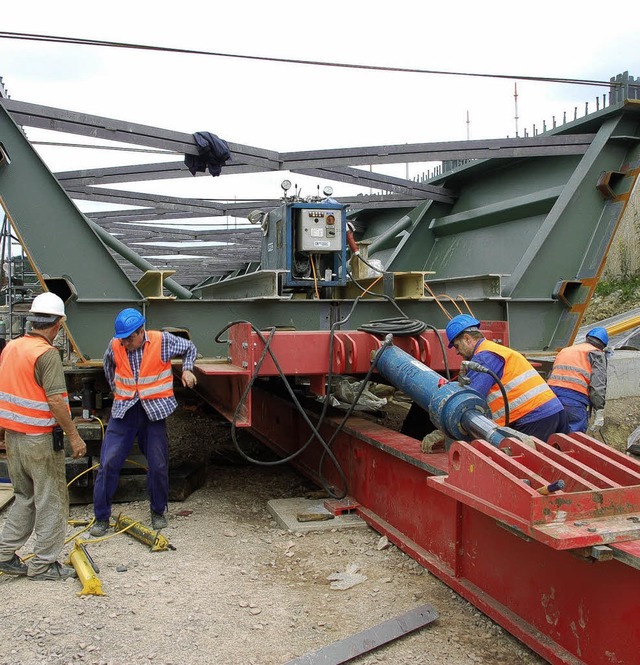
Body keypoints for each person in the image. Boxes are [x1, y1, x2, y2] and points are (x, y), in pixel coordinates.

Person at [0, 292, 86, 580]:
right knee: (52, 499)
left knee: (24, 496)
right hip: (40, 438)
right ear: (58, 324)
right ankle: (44, 564)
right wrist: (74, 436)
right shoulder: (46, 354)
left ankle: (4, 554)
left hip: (14, 437)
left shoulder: (11, 347)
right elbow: (56, 402)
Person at [90, 308, 198, 536]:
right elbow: (108, 367)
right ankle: (101, 517)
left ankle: (158, 512)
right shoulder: (115, 345)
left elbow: (190, 348)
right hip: (125, 410)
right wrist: (118, 390)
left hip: (154, 412)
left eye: (130, 339)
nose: (125, 344)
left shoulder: (162, 341)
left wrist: (187, 370)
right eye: (123, 339)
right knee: (108, 463)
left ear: (141, 332)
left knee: (158, 464)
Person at [445, 314, 569, 441]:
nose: (457, 352)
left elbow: (470, 400)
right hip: (554, 411)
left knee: (523, 459)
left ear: (467, 339)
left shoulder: (484, 357)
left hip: (534, 417)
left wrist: (445, 431)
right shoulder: (495, 350)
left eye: (456, 346)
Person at [547, 327, 608, 433]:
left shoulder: (566, 350)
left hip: (550, 396)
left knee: (552, 434)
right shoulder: (596, 354)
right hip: (573, 398)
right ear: (603, 345)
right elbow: (598, 384)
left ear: (587, 338)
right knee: (575, 437)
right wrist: (599, 410)